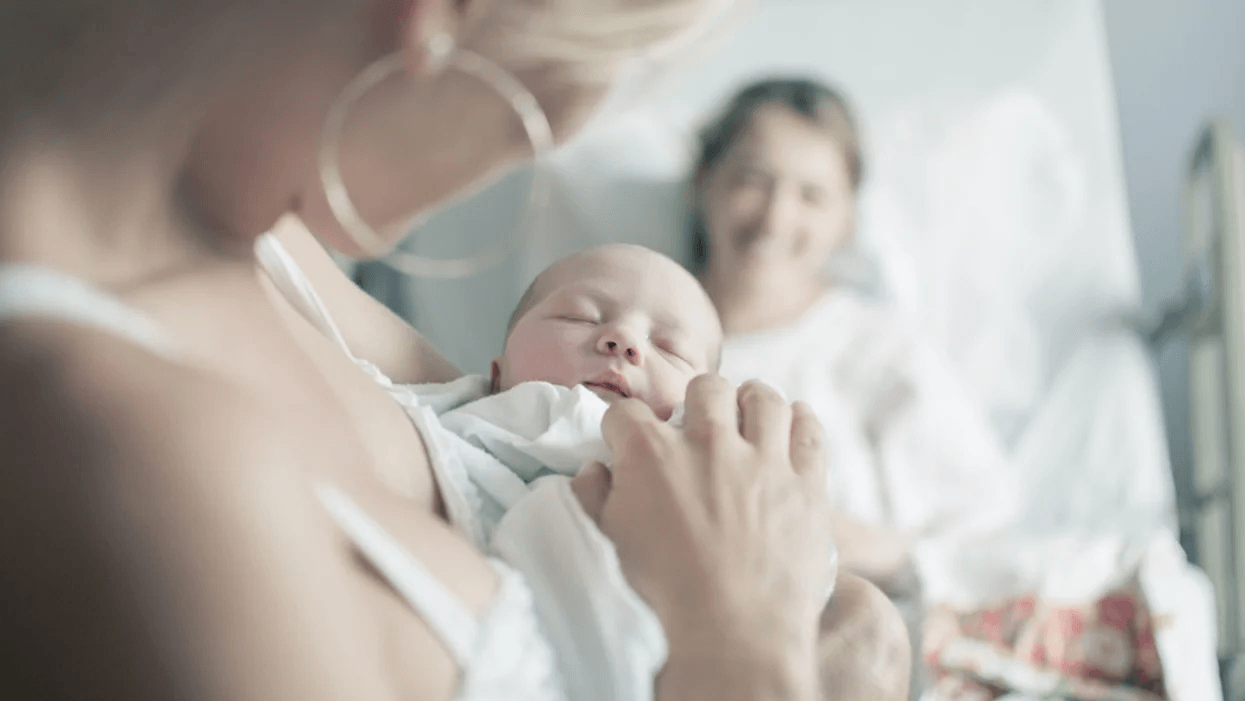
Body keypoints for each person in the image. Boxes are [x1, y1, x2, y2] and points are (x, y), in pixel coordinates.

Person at [0, 4, 909, 701]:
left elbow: (487, 405)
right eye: (532, 122)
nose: (506, 162)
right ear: (432, 23)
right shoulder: (138, 457)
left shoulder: (248, 233)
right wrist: (739, 639)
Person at [690, 76, 1019, 689]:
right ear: (703, 179)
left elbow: (984, 532)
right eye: (753, 180)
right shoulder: (635, 325)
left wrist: (860, 546)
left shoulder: (878, 349)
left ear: (845, 219)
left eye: (812, 196)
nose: (775, 216)